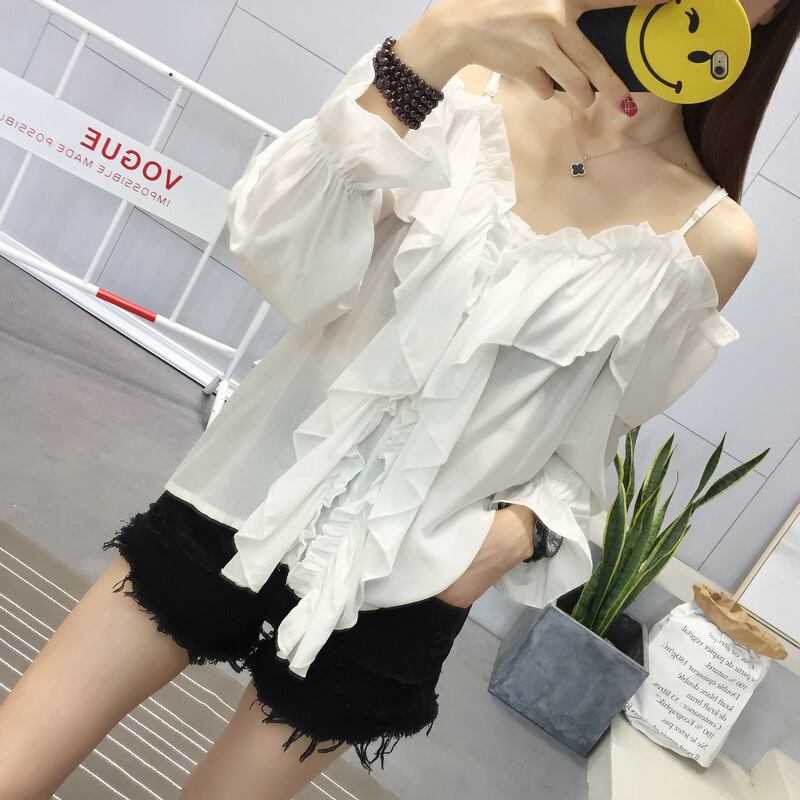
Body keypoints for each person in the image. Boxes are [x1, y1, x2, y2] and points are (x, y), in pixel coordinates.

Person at [1, 0, 797, 797]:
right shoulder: (462, 78)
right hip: (244, 495)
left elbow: (590, 444)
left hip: (408, 586)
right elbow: (280, 260)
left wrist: (510, 538)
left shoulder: (711, 238)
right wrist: (430, 50)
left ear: (772, 15)